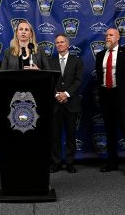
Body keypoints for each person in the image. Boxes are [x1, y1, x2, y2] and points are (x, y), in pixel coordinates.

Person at [95, 28, 125, 176]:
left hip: (122, 97)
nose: (108, 37)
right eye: (106, 35)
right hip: (106, 96)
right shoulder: (100, 55)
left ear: (118, 37)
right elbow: (99, 76)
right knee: (109, 130)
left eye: (111, 35)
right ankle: (112, 161)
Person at [48, 34, 83, 173]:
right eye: (57, 42)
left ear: (67, 44)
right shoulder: (50, 61)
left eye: (62, 42)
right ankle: (55, 162)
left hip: (71, 103)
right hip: (55, 104)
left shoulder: (77, 61)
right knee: (54, 136)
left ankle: (70, 162)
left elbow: (78, 80)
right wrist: (57, 94)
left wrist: (66, 94)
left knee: (71, 135)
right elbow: (49, 80)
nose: (59, 44)